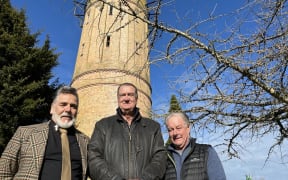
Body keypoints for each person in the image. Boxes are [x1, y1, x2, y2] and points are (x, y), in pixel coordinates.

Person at [0, 86, 89, 180]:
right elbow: (3, 172)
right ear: (52, 108)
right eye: (63, 104)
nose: (68, 109)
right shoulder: (25, 132)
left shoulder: (86, 141)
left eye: (73, 106)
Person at [88, 82, 166, 180]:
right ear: (118, 99)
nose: (126, 98)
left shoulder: (153, 127)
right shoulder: (103, 126)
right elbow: (93, 158)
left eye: (130, 94)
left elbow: (160, 158)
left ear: (136, 99)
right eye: (122, 95)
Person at [163, 112, 226, 180]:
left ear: (188, 128)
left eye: (178, 128)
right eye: (170, 130)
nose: (175, 133)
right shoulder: (163, 156)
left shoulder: (206, 152)